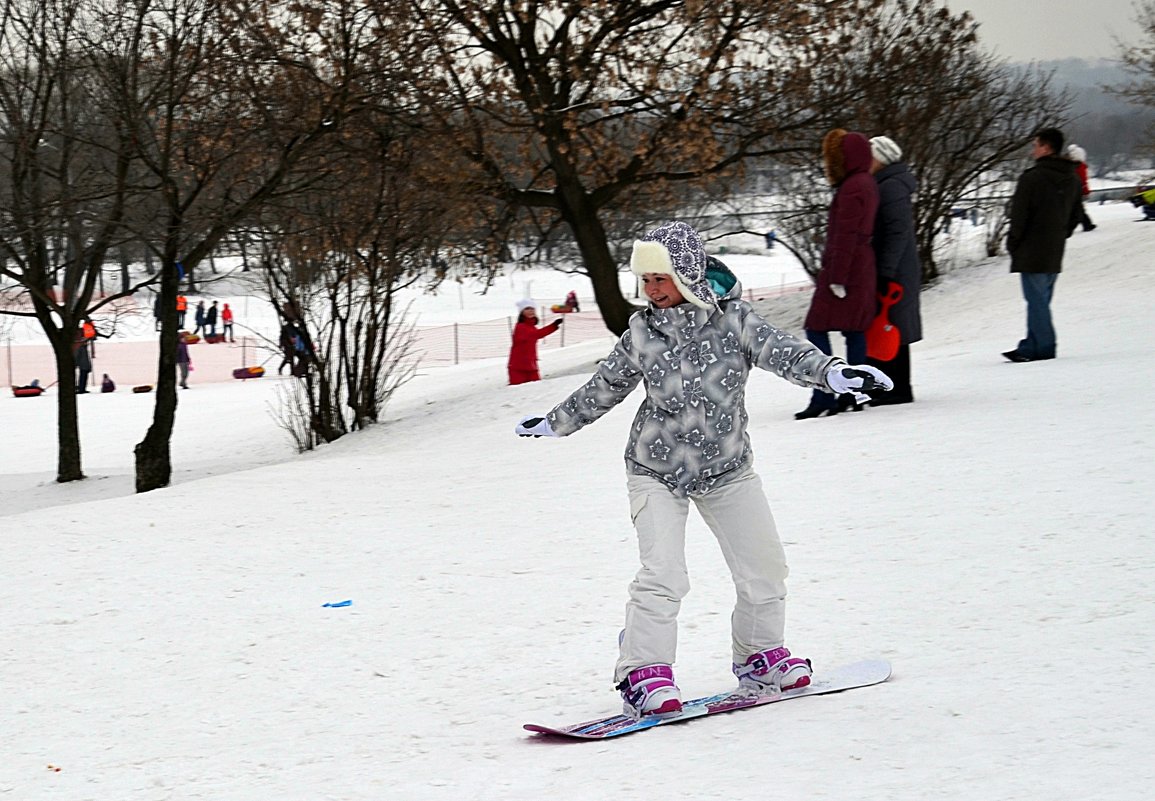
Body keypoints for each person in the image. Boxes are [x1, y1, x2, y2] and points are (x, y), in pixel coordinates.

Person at [513, 221, 892, 718]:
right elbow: (605, 386)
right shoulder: (643, 331)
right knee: (663, 572)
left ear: (687, 272)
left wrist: (832, 373)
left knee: (765, 566)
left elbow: (785, 352)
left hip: (727, 467)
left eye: (660, 278)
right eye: (644, 279)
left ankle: (759, 656)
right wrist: (555, 423)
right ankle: (642, 671)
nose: (650, 290)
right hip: (656, 469)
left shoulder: (735, 321)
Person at [797, 129, 880, 419]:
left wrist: (836, 277)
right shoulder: (865, 182)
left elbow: (845, 235)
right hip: (861, 267)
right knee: (855, 330)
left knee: (815, 326)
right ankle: (856, 393)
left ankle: (826, 393)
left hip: (846, 269)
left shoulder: (851, 188)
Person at [1003, 127, 1082, 363]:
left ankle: (1044, 346)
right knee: (1040, 300)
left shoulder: (1032, 178)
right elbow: (1076, 214)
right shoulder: (1073, 178)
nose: (1033, 149)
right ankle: (1031, 346)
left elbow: (1019, 216)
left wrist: (1013, 243)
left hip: (1031, 248)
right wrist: (1060, 234)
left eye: (1036, 145)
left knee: (1037, 301)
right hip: (1054, 248)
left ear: (1046, 148)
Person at [864, 136, 922, 406]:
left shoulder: (891, 187)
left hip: (895, 268)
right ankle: (890, 386)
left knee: (892, 325)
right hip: (895, 265)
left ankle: (897, 388)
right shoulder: (888, 184)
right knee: (889, 324)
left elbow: (897, 232)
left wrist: (885, 271)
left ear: (880, 158)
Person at [507, 300, 561, 385]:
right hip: (518, 367)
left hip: (531, 364)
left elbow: (537, 334)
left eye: (532, 308)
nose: (531, 310)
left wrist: (554, 325)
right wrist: (553, 325)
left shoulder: (531, 326)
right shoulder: (520, 327)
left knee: (536, 388)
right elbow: (536, 334)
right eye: (527, 309)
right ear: (521, 312)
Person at [1064, 143, 1096, 232]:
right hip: (1076, 190)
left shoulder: (1069, 166)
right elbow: (1083, 180)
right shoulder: (1080, 167)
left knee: (1075, 208)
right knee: (1077, 208)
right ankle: (1087, 224)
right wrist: (1085, 191)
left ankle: (1086, 224)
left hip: (1071, 190)